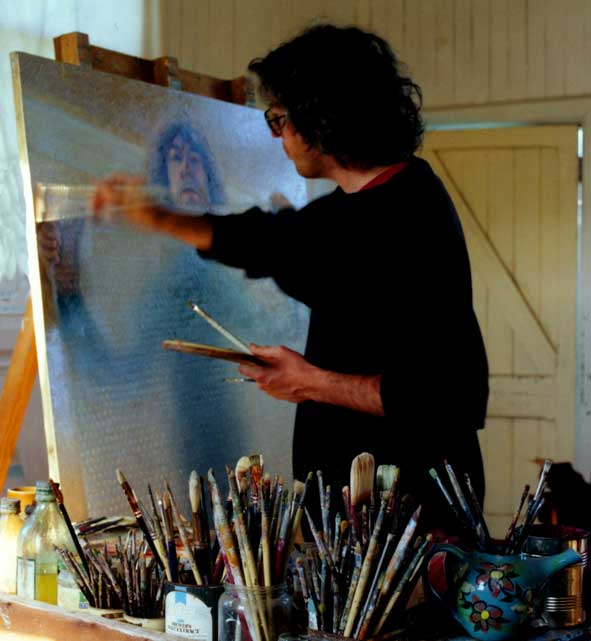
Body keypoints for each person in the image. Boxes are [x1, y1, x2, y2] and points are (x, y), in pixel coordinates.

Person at [93, 23, 489, 530]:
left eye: (279, 119)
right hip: (357, 521)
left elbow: (445, 397)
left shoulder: (406, 213)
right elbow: (275, 242)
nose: (277, 135)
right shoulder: (365, 206)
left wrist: (309, 382)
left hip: (410, 523)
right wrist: (159, 217)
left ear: (321, 117)